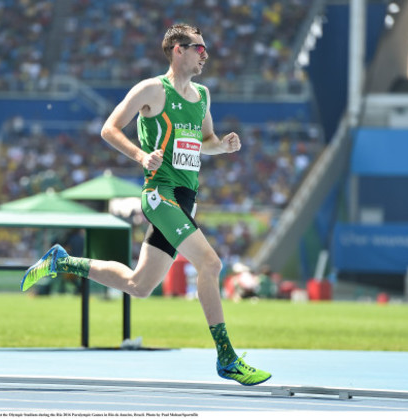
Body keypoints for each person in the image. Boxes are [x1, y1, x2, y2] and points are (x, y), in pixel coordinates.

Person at [21, 24, 271, 386]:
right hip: (160, 194)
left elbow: (206, 141)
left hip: (186, 199)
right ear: (177, 50)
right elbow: (109, 128)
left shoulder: (202, 95)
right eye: (199, 48)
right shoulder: (153, 89)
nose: (205, 55)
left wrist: (224, 145)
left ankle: (62, 261)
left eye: (205, 49)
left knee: (140, 285)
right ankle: (226, 357)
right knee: (211, 263)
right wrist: (141, 156)